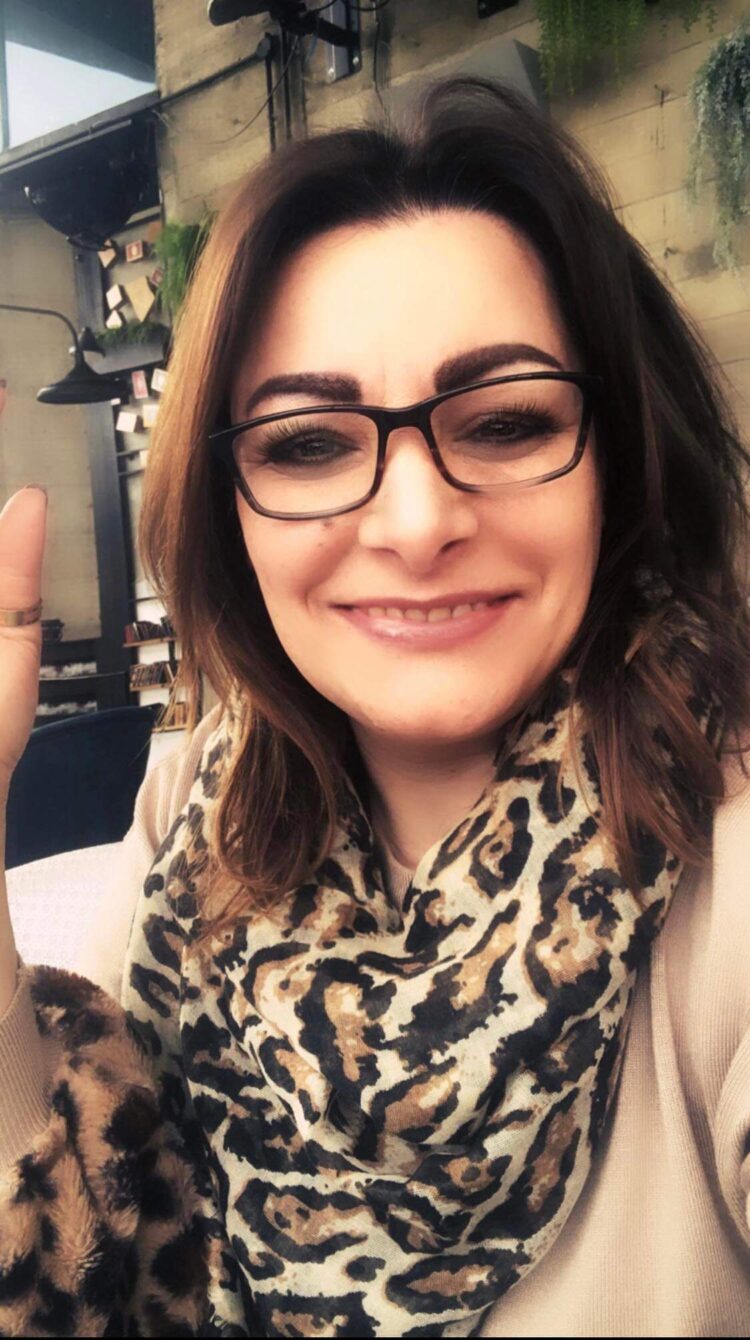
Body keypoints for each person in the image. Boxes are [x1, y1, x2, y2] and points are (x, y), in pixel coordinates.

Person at [0, 75, 748, 1338]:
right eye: (308, 441)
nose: (415, 521)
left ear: (618, 461)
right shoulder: (199, 811)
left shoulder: (727, 863)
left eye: (506, 421)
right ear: (229, 511)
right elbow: (86, 1266)